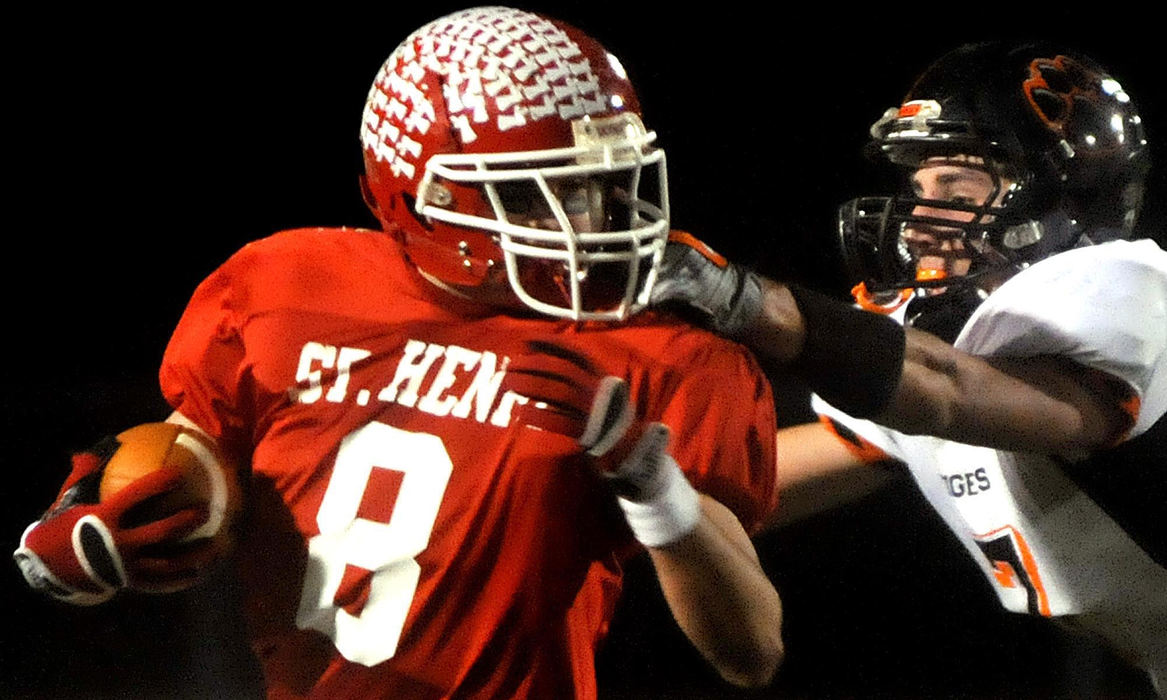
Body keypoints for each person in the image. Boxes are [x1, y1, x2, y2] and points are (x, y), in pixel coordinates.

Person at [12, 7, 785, 698]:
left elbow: (751, 652)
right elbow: (197, 448)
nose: (578, 221)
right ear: (406, 193)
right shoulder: (284, 284)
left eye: (590, 185)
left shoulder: (661, 352)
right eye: (525, 195)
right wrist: (99, 511)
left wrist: (652, 484)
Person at [650, 41, 1166, 695]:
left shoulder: (1126, 289)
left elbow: (949, 392)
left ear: (1057, 195)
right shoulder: (933, 348)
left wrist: (744, 302)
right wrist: (630, 474)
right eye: (917, 189)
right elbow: (752, 483)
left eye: (953, 189)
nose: (918, 224)